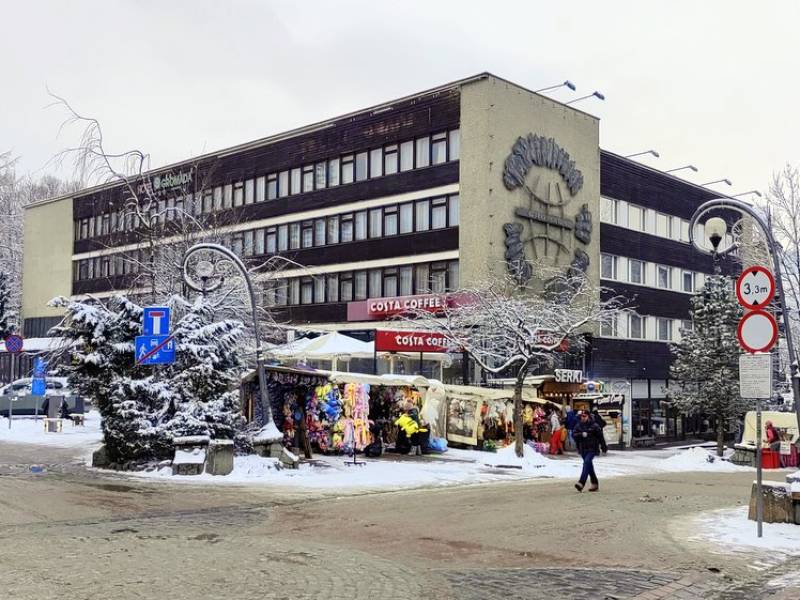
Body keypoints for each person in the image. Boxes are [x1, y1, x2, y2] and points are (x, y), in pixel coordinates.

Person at [573, 410, 603, 492]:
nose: (583, 418)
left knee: (586, 462)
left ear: (588, 416)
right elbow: (574, 435)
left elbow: (600, 436)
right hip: (583, 448)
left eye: (584, 416)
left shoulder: (594, 425)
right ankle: (595, 483)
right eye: (582, 416)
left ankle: (581, 482)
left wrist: (603, 446)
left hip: (592, 448)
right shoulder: (578, 425)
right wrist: (581, 434)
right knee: (589, 466)